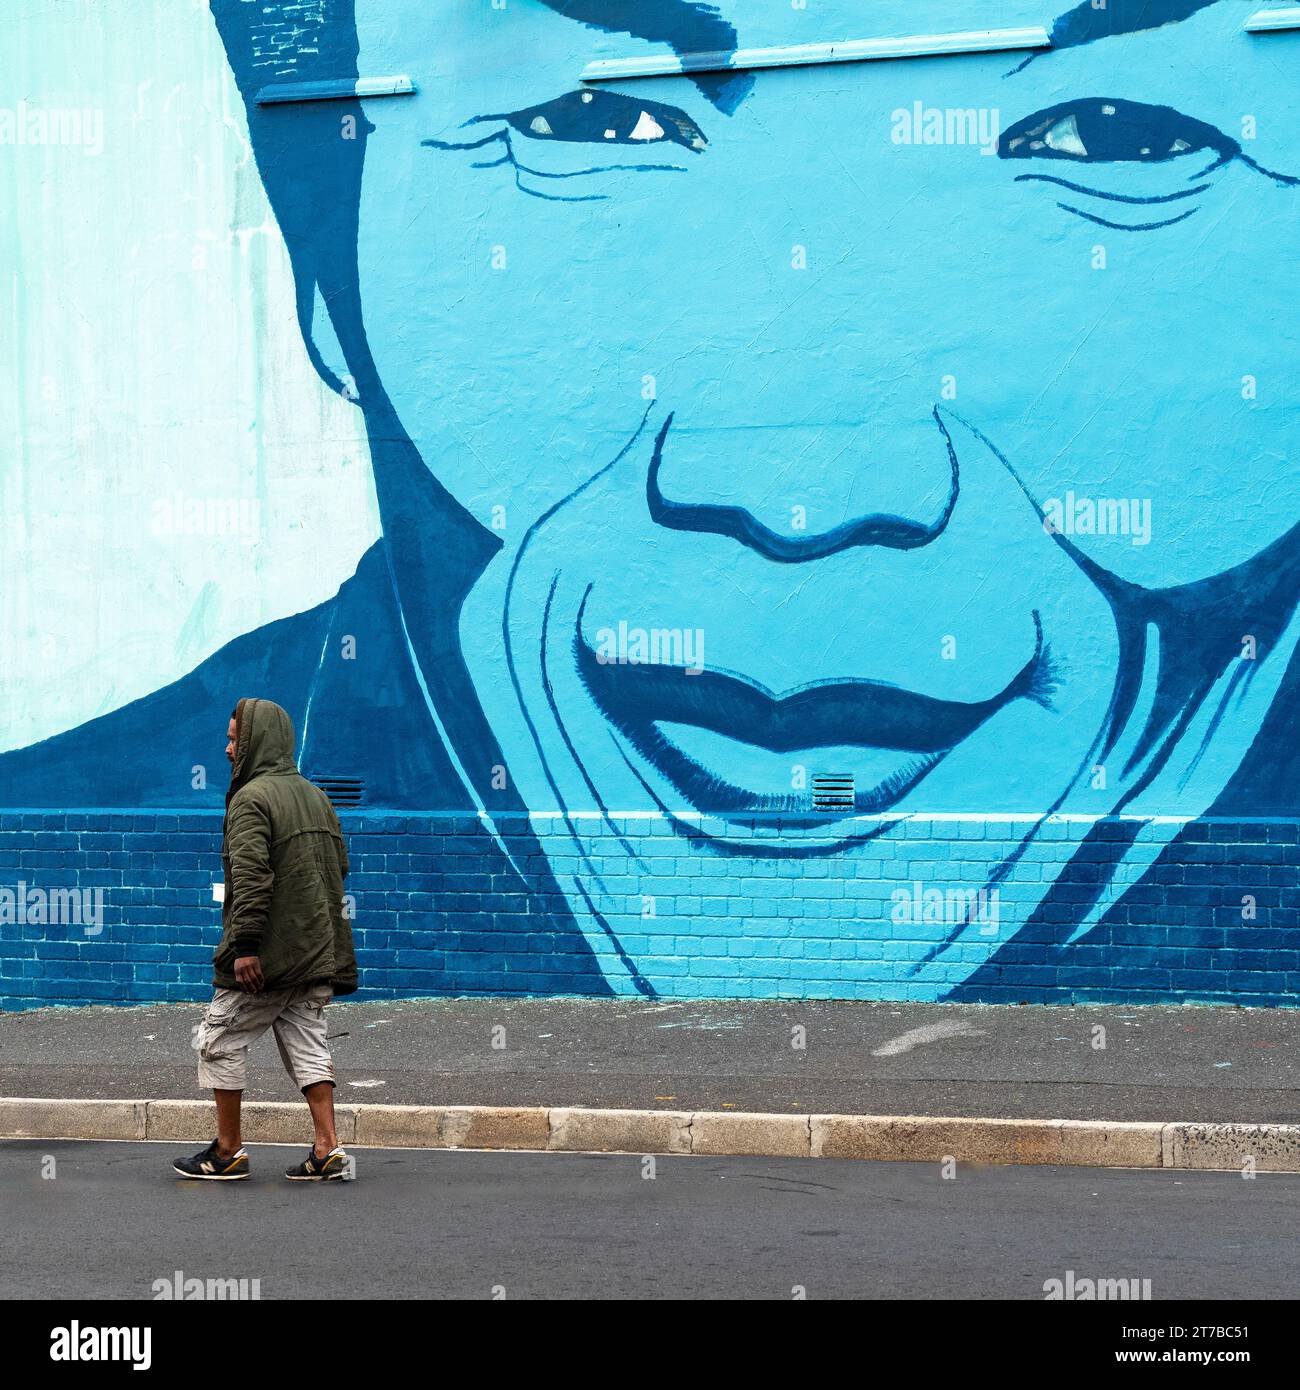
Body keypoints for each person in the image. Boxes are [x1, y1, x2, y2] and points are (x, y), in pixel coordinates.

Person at [173, 698, 357, 1181]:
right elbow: (338, 871)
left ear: (256, 742)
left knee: (219, 1040)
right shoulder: (317, 798)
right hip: (317, 953)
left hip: (267, 957)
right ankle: (327, 1149)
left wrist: (245, 947)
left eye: (235, 739)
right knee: (308, 1044)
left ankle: (227, 1151)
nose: (228, 747)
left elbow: (251, 877)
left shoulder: (251, 800)